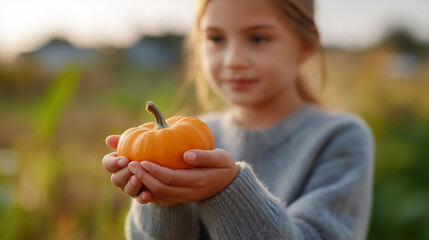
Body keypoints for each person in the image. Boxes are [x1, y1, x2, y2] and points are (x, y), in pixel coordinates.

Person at [102, 0, 374, 239]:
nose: (233, 60)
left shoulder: (340, 137)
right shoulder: (195, 138)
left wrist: (227, 192)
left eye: (258, 38)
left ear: (305, 44)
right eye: (216, 39)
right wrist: (162, 200)